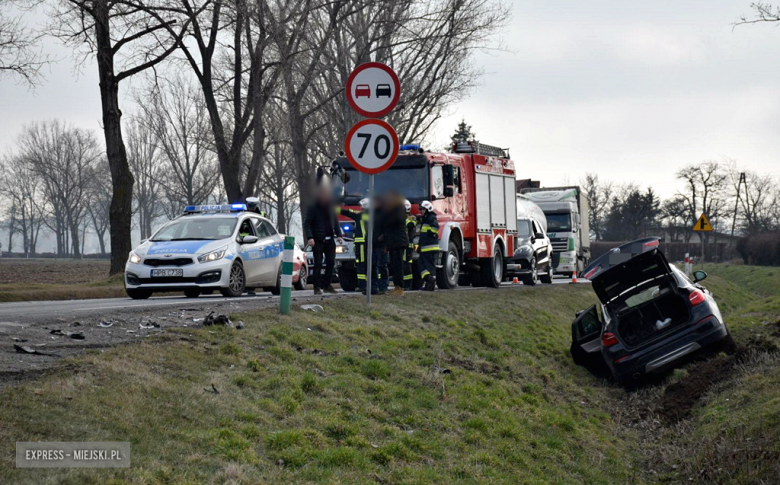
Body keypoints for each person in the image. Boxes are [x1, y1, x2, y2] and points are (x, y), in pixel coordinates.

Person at [303, 184, 343, 295]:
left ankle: (327, 285)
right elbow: (307, 224)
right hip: (318, 240)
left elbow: (335, 222)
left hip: (330, 240)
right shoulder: (313, 208)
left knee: (331, 263)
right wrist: (310, 237)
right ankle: (317, 287)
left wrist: (339, 235)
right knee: (318, 263)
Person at [338, 198, 370, 292]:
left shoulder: (361, 215)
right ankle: (372, 284)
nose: (360, 208)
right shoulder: (374, 216)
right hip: (369, 243)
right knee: (371, 264)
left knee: (361, 263)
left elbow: (347, 212)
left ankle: (362, 286)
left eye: (361, 207)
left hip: (362, 243)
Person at [382, 192, 410, 296]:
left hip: (398, 241)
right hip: (393, 242)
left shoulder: (398, 208)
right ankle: (396, 286)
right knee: (394, 265)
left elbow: (396, 220)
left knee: (398, 265)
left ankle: (400, 288)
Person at [418, 200, 439, 291]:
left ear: (428, 209)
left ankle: (430, 283)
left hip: (429, 248)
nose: (421, 211)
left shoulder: (431, 217)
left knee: (427, 267)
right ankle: (429, 283)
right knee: (424, 266)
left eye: (423, 209)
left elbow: (435, 227)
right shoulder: (426, 218)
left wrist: (430, 233)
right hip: (425, 248)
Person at [403, 199, 416, 290]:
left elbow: (411, 225)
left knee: (407, 265)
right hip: (402, 245)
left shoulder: (412, 218)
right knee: (401, 265)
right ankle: (402, 284)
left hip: (408, 246)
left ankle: (408, 285)